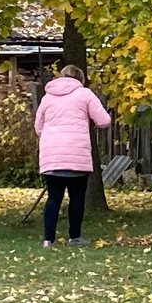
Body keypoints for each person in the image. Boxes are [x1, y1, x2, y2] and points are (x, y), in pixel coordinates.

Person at [34, 65, 111, 248]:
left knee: (54, 198)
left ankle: (48, 239)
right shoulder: (85, 94)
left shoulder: (47, 97)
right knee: (77, 198)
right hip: (77, 154)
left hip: (52, 155)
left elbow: (38, 127)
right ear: (81, 79)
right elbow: (104, 120)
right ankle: (74, 237)